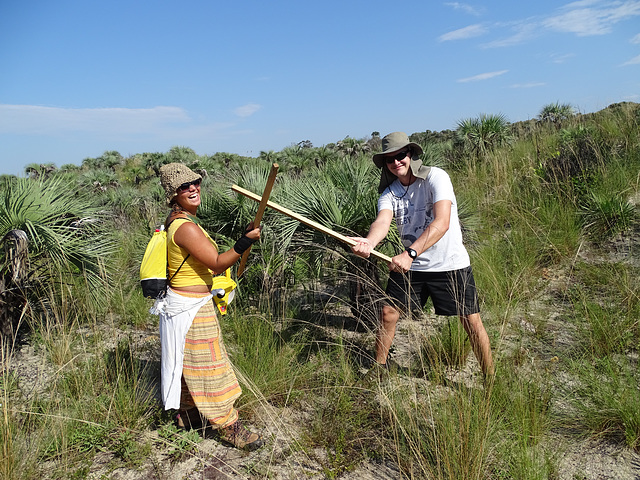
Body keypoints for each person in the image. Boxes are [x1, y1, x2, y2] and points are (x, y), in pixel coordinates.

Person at [350, 132, 494, 377]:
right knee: (388, 313)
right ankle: (379, 370)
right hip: (412, 267)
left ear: (411, 154)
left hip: (448, 264)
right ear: (385, 164)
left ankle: (490, 378)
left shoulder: (436, 177)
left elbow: (442, 222)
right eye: (389, 159)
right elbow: (382, 222)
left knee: (470, 320)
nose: (396, 162)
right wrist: (369, 242)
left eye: (400, 155)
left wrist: (411, 252)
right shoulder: (389, 193)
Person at [153, 162, 264, 450]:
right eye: (183, 186)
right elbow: (216, 263)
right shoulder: (185, 227)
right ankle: (229, 426)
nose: (192, 188)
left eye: (194, 183)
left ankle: (187, 416)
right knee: (210, 367)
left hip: (185, 305)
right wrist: (242, 243)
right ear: (173, 194)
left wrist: (242, 237)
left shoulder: (177, 222)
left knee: (188, 363)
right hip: (190, 309)